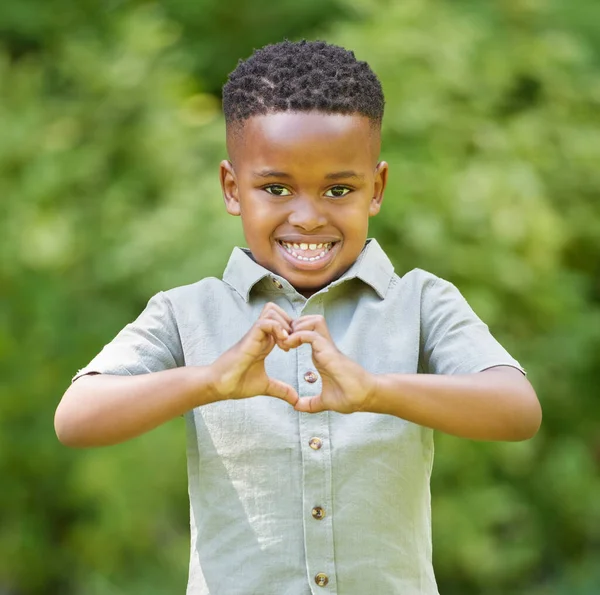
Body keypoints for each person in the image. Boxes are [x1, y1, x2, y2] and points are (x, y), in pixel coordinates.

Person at [54, 40, 542, 594]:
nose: (307, 217)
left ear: (376, 188)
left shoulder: (422, 302)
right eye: (276, 188)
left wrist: (376, 391)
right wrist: (209, 381)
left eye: (339, 189)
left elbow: (516, 410)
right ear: (232, 189)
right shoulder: (185, 310)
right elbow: (77, 417)